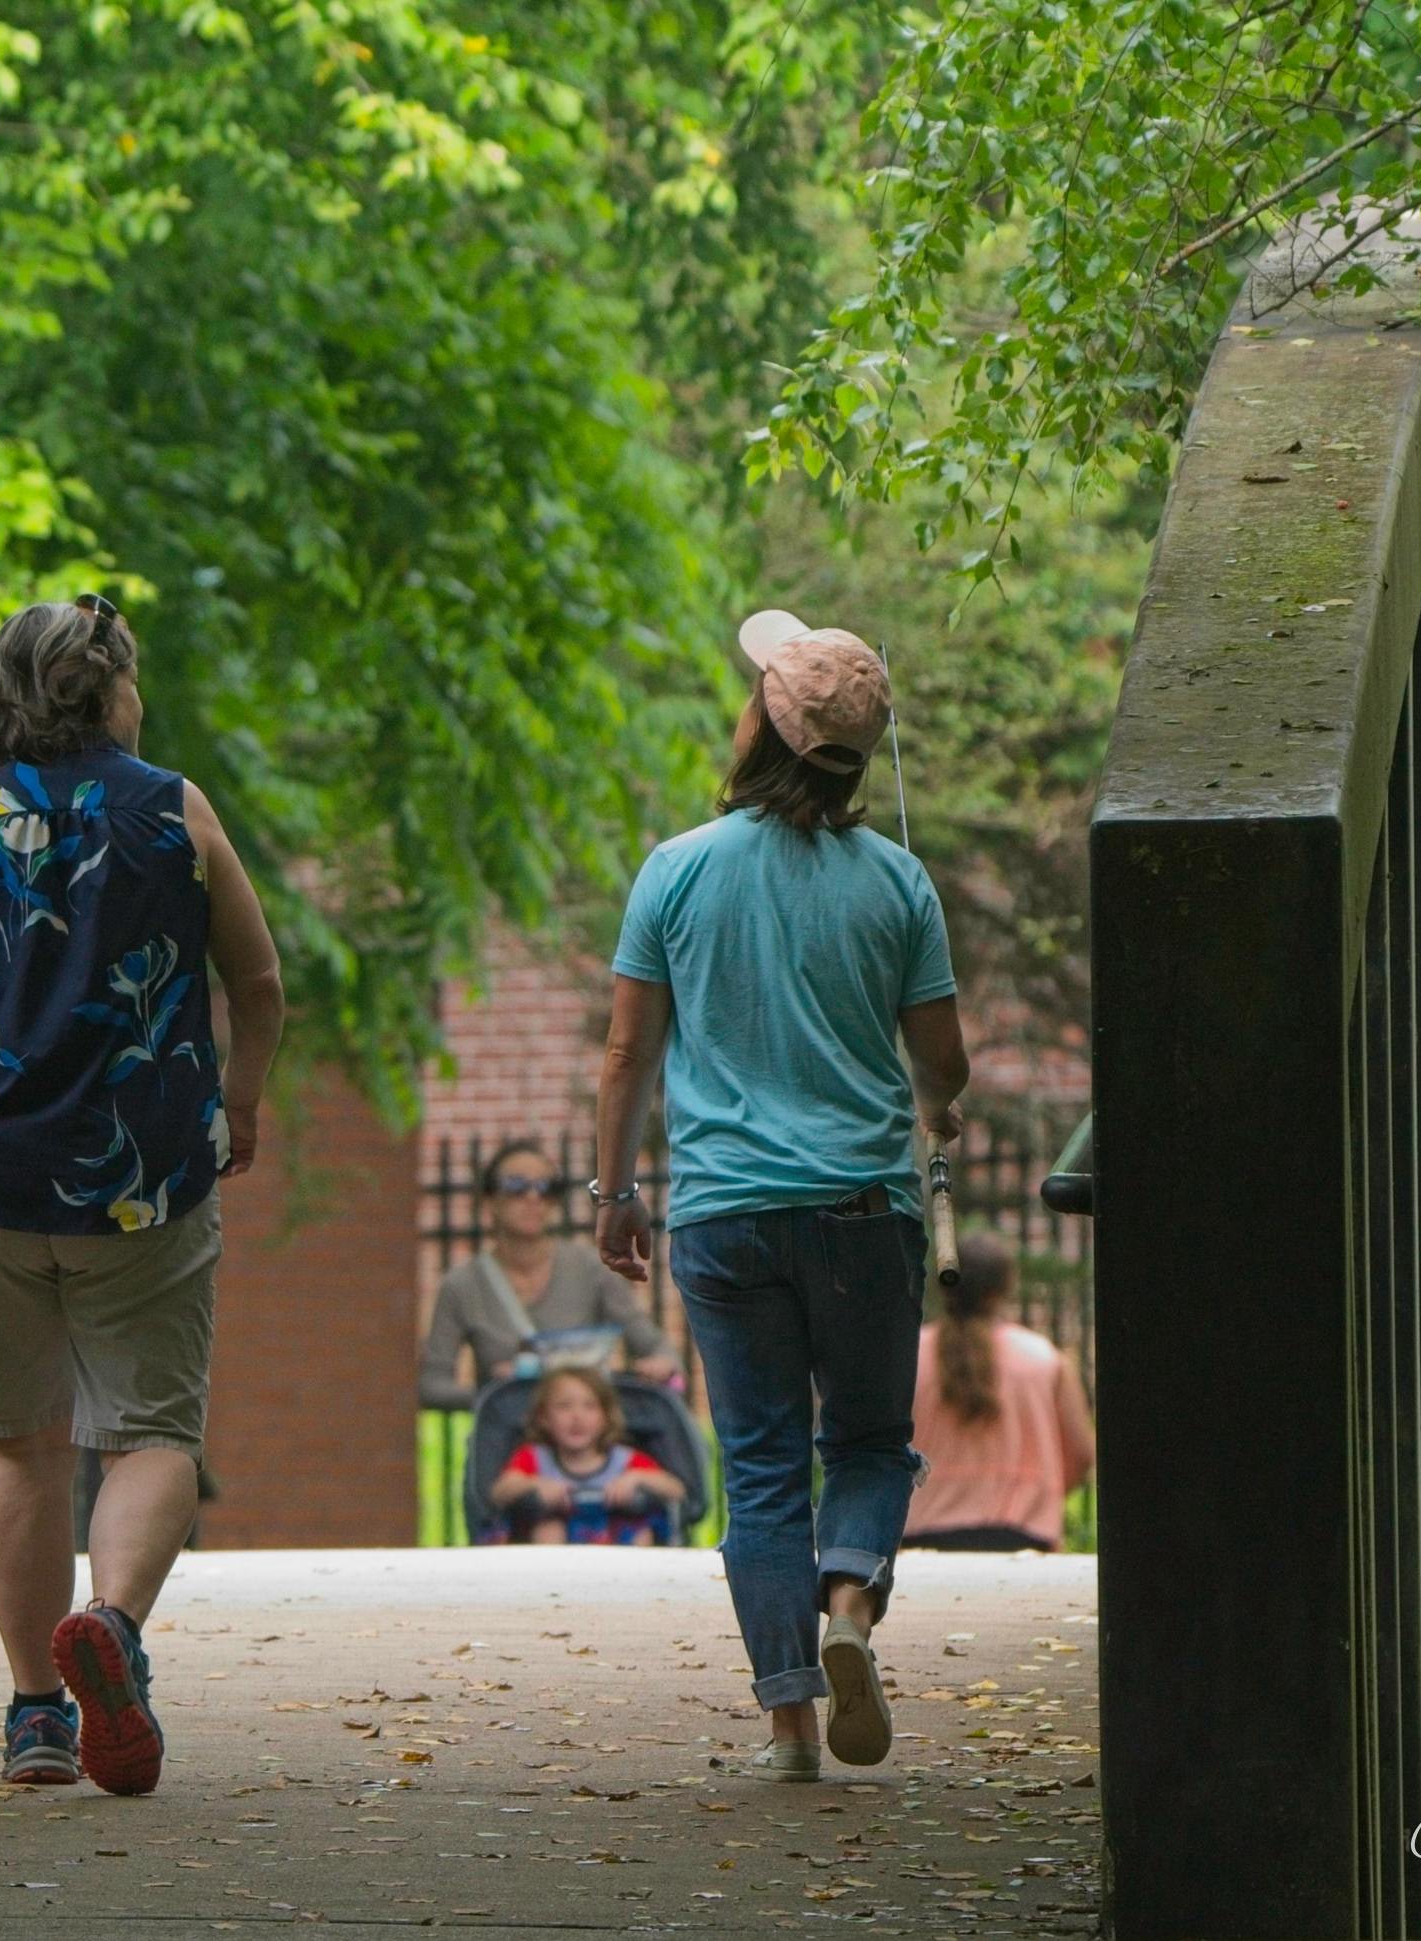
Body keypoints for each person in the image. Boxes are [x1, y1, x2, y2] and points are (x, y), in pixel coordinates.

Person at [0, 593, 284, 1797]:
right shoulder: (175, 811)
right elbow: (257, 982)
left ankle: (36, 1717)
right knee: (151, 1434)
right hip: (145, 1174)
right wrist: (240, 1102)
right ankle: (113, 1626)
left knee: (21, 1442)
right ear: (111, 694)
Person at [593, 608, 970, 1783]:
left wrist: (615, 1191)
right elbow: (943, 1060)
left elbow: (628, 1053)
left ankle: (791, 1728)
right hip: (864, 1213)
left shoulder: (677, 869)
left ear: (761, 725)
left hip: (725, 1216)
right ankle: (849, 1601)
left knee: (760, 1469)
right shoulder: (897, 882)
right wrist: (940, 1104)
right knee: (868, 1443)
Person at [417, 1139, 680, 1409]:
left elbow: (655, 1346)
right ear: (489, 1200)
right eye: (516, 1186)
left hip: (585, 1430)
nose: (533, 1198)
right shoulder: (462, 1285)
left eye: (547, 1188)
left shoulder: (590, 1268)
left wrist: (660, 1365)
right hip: (509, 1429)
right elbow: (432, 1385)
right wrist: (498, 1392)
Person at [905, 1233, 1096, 1552]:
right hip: (1023, 1538)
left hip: (921, 1538)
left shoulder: (909, 1357)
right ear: (1005, 1287)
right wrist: (1037, 1495)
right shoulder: (1043, 1359)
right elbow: (1081, 1454)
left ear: (942, 1283)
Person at [488, 1367, 685, 1544]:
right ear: (544, 1418)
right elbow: (499, 1492)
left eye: (589, 1406)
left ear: (605, 1418)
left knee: (640, 1531)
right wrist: (533, 1484)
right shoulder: (534, 1458)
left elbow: (676, 1490)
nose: (577, 1417)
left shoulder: (625, 1461)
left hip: (615, 1545)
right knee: (548, 1530)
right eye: (564, 1406)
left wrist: (637, 1478)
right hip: (557, 1547)